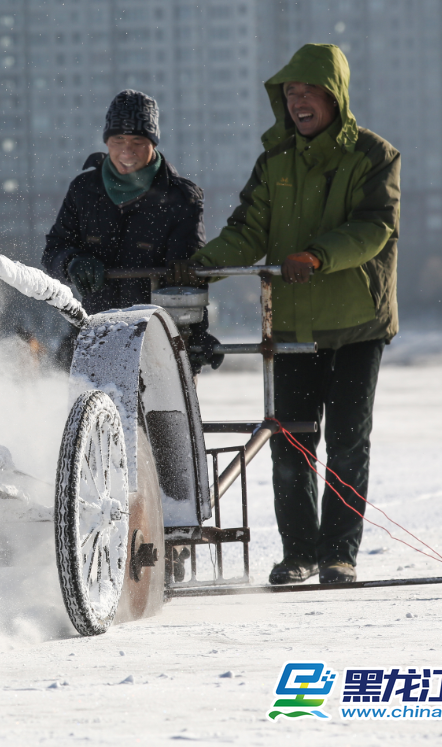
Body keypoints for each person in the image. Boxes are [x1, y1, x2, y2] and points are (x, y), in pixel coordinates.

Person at [191, 44, 401, 585]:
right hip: (291, 329)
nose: (297, 101)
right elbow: (247, 232)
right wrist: (199, 267)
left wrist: (317, 255)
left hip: (357, 325)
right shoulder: (274, 161)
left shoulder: (375, 157)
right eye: (289, 93)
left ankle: (340, 555)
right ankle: (299, 554)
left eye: (307, 91)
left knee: (348, 442)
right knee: (291, 441)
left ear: (334, 95)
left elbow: (375, 229)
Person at [42, 89, 222, 372]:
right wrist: (72, 262)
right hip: (95, 335)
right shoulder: (84, 190)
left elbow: (189, 275)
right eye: (118, 140)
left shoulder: (180, 198)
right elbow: (53, 251)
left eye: (138, 141)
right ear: (107, 142)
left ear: (153, 143)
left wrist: (197, 335)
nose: (127, 151)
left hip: (159, 341)